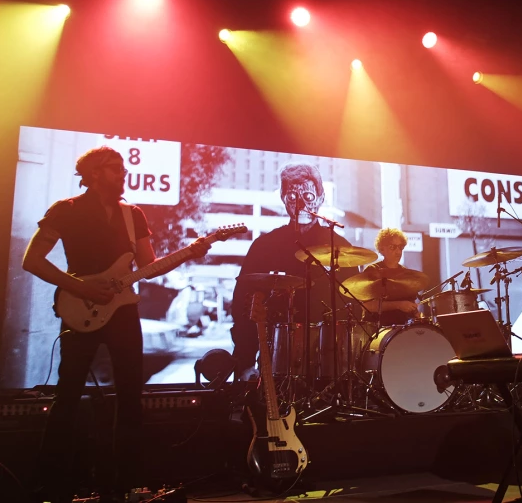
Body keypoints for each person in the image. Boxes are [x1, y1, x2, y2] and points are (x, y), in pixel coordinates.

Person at [22, 146, 209, 502]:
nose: (123, 175)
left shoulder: (132, 214)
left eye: (123, 169)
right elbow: (32, 260)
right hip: (79, 308)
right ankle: (50, 483)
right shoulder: (66, 210)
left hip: (122, 312)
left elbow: (148, 264)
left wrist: (192, 250)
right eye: (115, 169)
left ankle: (126, 484)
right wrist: (81, 286)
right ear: (94, 173)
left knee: (130, 397)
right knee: (67, 397)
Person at [230, 162, 356, 381]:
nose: (299, 204)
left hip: (328, 358)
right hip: (275, 357)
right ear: (283, 199)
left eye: (307, 196)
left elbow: (355, 302)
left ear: (321, 197)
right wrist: (246, 361)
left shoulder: (339, 246)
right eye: (292, 197)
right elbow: (243, 303)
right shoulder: (264, 246)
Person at [361, 228, 422, 327]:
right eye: (392, 247)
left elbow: (412, 305)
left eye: (400, 247)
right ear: (382, 249)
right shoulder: (372, 270)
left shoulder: (406, 274)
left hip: (402, 329)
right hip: (377, 330)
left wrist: (419, 316)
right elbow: (367, 305)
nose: (398, 252)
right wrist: (398, 305)